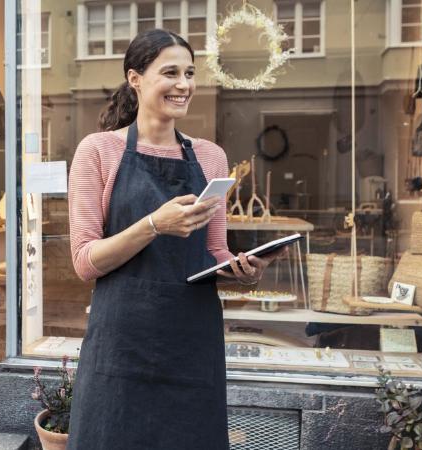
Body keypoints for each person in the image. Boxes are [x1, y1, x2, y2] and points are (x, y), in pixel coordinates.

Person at [66, 29, 286, 450]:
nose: (184, 85)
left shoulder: (210, 156)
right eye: (170, 73)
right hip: (121, 343)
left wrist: (244, 272)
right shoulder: (98, 151)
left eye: (189, 73)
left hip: (191, 339)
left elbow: (214, 252)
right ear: (135, 79)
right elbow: (84, 261)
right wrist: (154, 224)